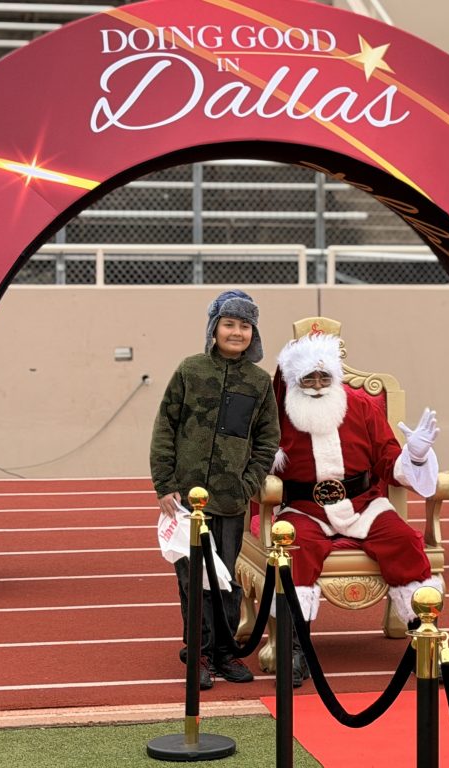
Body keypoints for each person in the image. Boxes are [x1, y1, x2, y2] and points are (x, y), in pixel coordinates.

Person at [271, 331, 443, 686]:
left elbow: (387, 459)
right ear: (295, 380)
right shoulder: (278, 413)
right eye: (309, 378)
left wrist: (417, 454)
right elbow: (261, 459)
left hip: (363, 505)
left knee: (404, 541)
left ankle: (425, 638)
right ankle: (293, 647)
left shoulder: (361, 406)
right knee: (295, 553)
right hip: (305, 509)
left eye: (324, 377)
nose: (317, 385)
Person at [150, 289, 280, 690]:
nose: (236, 332)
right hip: (186, 502)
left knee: (225, 578)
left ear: (252, 332)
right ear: (214, 328)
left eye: (244, 325)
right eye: (229, 324)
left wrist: (248, 484)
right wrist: (164, 484)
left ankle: (224, 652)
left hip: (228, 501)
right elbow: (165, 427)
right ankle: (199, 651)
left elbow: (267, 438)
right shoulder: (190, 371)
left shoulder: (259, 382)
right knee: (193, 580)